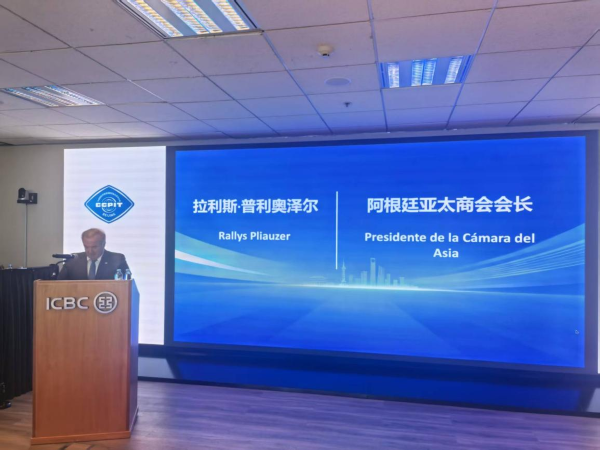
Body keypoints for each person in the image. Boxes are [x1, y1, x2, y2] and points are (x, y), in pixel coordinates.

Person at [57, 228, 129, 280]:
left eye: (94, 247)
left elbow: (126, 285)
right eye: (86, 247)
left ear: (103, 244)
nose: (90, 251)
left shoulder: (117, 259)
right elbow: (59, 285)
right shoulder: (73, 260)